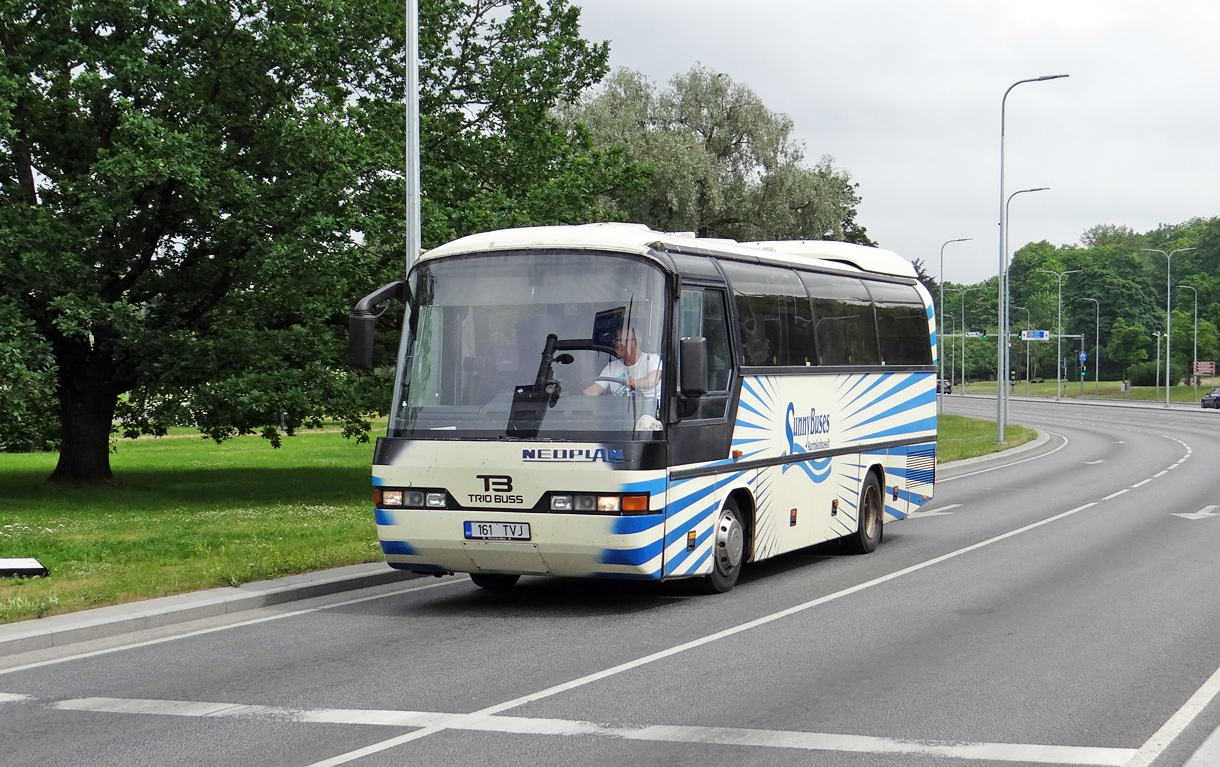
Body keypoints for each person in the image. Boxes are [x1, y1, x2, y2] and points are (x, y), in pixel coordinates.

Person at [584, 327, 662, 397]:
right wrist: (577, 399)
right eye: (616, 341)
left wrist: (636, 383)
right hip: (619, 411)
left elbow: (653, 380)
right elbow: (595, 389)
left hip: (648, 410)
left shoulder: (652, 359)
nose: (617, 344)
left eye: (621, 341)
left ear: (635, 342)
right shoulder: (612, 367)